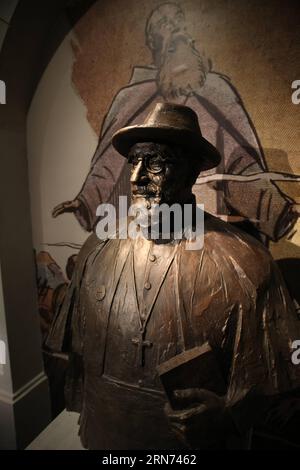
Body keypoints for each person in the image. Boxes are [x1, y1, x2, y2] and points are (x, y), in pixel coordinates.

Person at [47, 103, 300, 449]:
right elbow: (78, 365)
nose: (135, 178)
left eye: (154, 162)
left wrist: (229, 415)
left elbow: (275, 384)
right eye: (133, 161)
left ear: (191, 172)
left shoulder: (246, 264)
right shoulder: (97, 249)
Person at [52, 2, 297, 243]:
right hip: (146, 229)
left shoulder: (216, 90)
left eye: (177, 21)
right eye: (164, 24)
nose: (174, 28)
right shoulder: (131, 98)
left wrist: (277, 212)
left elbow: (240, 163)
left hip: (204, 232)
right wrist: (86, 201)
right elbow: (109, 163)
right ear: (153, 42)